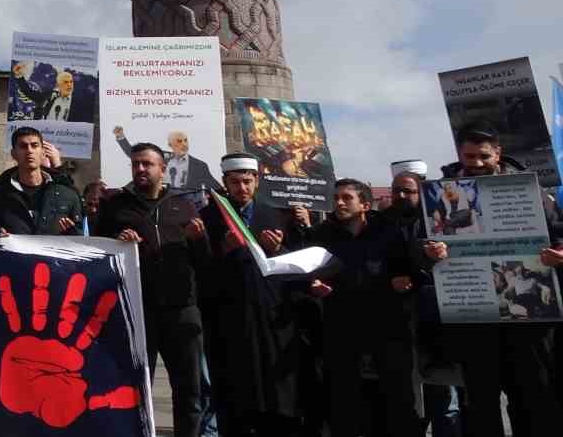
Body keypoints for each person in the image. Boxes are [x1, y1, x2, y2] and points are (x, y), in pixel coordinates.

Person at [423, 126, 562, 437]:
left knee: (534, 396)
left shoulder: (529, 190)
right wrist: (430, 251)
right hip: (472, 313)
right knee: (478, 402)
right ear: (459, 154)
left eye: (484, 156)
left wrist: (559, 253)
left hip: (527, 318)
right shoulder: (438, 193)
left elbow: (560, 233)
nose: (477, 162)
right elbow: (420, 245)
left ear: (498, 153)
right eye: (469, 155)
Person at [96, 141, 210, 437]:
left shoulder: (184, 206)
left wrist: (199, 240)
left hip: (182, 311)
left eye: (147, 164)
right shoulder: (116, 207)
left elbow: (204, 263)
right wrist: (117, 240)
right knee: (133, 387)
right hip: (137, 311)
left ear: (163, 168)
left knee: (189, 391)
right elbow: (97, 252)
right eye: (136, 164)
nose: (140, 169)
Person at [198, 153, 310, 437]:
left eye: (247, 181)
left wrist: (279, 248)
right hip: (228, 314)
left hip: (270, 312)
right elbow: (197, 266)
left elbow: (297, 261)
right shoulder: (209, 216)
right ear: (225, 182)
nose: (242, 188)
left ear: (256, 180)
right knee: (234, 386)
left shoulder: (276, 215)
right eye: (235, 182)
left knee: (275, 388)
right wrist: (223, 249)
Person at [307, 178, 417, 437]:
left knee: (397, 399)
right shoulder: (322, 234)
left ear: (365, 204)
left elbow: (410, 269)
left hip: (387, 326)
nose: (339, 203)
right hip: (342, 328)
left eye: (347, 198)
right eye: (336, 198)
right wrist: (314, 285)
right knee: (345, 401)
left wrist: (405, 281)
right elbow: (308, 272)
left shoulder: (389, 232)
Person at [386, 159, 462, 437]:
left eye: (408, 191)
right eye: (396, 191)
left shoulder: (441, 222)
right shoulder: (384, 224)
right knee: (409, 397)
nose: (401, 196)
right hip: (401, 320)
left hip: (436, 318)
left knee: (443, 394)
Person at [0, 127, 82, 236]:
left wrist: (72, 232)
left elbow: (81, 238)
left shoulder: (67, 194)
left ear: (43, 153)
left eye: (34, 145)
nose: (29, 151)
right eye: (23, 146)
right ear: (13, 154)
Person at [113, 126, 220, 193]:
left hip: (187, 206)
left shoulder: (199, 165)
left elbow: (215, 186)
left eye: (185, 140)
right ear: (170, 144)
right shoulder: (163, 157)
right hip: (163, 202)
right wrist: (121, 137)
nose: (184, 144)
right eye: (179, 141)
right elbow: (133, 153)